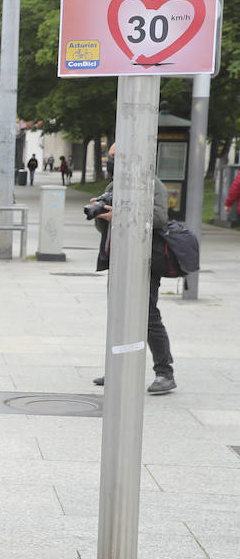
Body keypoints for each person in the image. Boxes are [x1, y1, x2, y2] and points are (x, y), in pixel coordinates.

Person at [90, 142, 175, 394]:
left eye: (116, 156)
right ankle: (118, 366)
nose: (111, 160)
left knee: (148, 317)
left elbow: (160, 218)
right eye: (110, 156)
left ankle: (165, 371)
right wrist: (101, 214)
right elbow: (103, 228)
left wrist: (120, 213)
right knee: (118, 314)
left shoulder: (153, 184)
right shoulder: (113, 187)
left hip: (144, 261)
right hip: (117, 260)